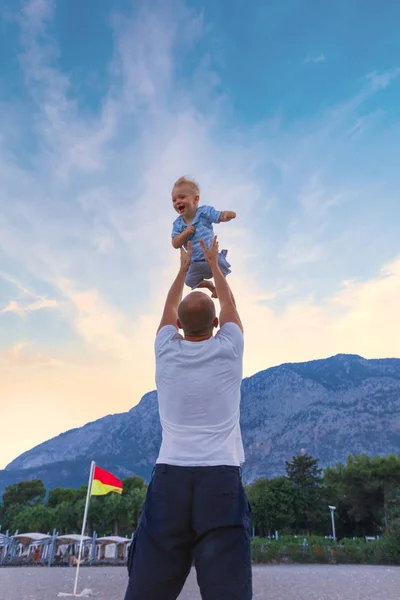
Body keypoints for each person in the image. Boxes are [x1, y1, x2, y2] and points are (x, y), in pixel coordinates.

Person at [124, 236, 252, 600]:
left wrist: (183, 269)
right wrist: (213, 266)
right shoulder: (229, 349)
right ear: (216, 325)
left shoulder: (165, 350)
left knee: (148, 588)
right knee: (227, 590)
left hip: (170, 480)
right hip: (220, 479)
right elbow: (230, 305)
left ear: (178, 327)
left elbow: (169, 308)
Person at [171, 176, 236, 297]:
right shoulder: (178, 224)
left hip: (211, 257)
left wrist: (224, 215)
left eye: (182, 197)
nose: (177, 202)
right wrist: (185, 233)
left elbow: (217, 215)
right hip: (195, 262)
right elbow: (175, 243)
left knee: (222, 266)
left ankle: (219, 286)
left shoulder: (204, 212)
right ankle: (207, 285)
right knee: (188, 281)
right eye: (174, 200)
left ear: (195, 200)